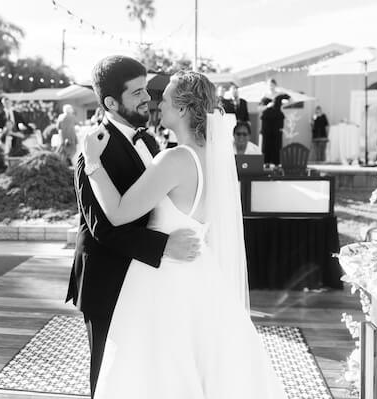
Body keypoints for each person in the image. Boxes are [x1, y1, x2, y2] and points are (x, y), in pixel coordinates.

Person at [82, 70, 287, 398]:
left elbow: (119, 213)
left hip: (162, 279)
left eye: (163, 99)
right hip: (198, 273)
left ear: (182, 110)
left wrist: (92, 162)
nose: (154, 103)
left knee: (156, 370)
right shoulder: (213, 157)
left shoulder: (175, 159)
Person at [65, 55, 202, 398]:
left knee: (140, 370)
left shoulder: (152, 143)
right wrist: (163, 246)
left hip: (146, 280)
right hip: (107, 279)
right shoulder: (91, 153)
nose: (148, 98)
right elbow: (103, 228)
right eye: (137, 92)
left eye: (146, 89)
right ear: (111, 102)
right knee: (108, 372)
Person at [261, 93, 289, 165]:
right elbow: (259, 108)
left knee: (274, 146)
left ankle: (272, 163)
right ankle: (269, 163)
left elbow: (288, 98)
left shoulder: (278, 98)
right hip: (270, 129)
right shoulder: (265, 98)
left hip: (273, 129)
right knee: (269, 146)